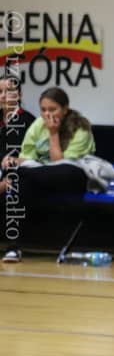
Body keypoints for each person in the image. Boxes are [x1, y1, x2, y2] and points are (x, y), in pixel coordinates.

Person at [1, 87, 96, 263]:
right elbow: (28, 157)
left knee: (23, 176)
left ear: (65, 109)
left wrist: (53, 134)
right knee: (21, 181)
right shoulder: (38, 124)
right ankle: (14, 247)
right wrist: (14, 161)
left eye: (52, 109)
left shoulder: (81, 127)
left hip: (73, 175)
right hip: (40, 175)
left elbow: (60, 163)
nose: (47, 114)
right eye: (43, 110)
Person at [0, 73, 34, 263]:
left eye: (9, 91)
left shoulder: (28, 121)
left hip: (19, 175)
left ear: (19, 95)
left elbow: (34, 157)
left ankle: (14, 247)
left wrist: (7, 178)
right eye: (0, 91)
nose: (3, 96)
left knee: (15, 188)